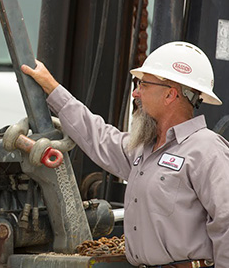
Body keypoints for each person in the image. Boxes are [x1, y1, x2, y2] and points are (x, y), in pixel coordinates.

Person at [21, 41, 229, 267]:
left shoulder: (207, 150)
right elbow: (98, 136)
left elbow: (226, 224)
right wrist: (52, 88)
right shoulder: (145, 148)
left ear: (170, 95)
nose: (135, 92)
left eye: (143, 84)